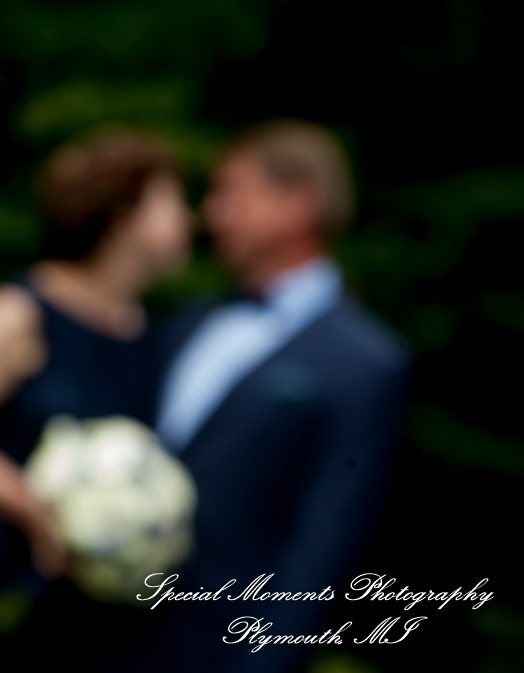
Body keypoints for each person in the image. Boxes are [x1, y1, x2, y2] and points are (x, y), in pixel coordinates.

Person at [0, 127, 191, 670]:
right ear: (122, 213)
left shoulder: (145, 333)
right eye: (171, 200)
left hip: (65, 610)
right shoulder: (21, 310)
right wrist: (39, 510)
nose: (189, 219)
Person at [149, 119, 410, 672]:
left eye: (232, 193)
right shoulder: (188, 321)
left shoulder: (367, 363)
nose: (212, 214)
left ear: (299, 204)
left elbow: (323, 542)